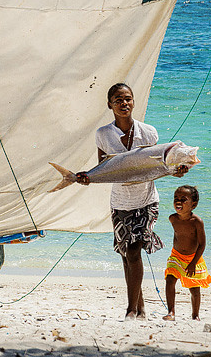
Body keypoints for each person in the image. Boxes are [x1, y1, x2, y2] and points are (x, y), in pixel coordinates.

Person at [77, 82, 187, 320]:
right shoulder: (103, 134)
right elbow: (104, 168)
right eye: (118, 100)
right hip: (120, 203)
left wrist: (174, 171)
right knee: (127, 255)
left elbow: (157, 165)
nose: (123, 103)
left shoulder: (149, 133)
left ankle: (131, 310)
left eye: (127, 99)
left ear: (133, 101)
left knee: (134, 250)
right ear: (110, 105)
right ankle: (141, 309)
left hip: (147, 201)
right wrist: (89, 178)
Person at [162, 185, 211, 321]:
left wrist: (193, 263)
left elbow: (202, 244)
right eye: (176, 198)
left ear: (193, 204)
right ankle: (171, 312)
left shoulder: (197, 222)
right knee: (170, 280)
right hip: (176, 256)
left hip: (193, 258)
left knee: (194, 289)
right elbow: (177, 236)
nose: (178, 201)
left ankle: (195, 315)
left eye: (183, 199)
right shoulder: (173, 219)